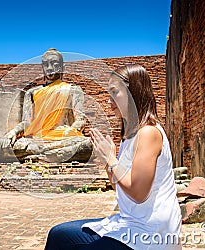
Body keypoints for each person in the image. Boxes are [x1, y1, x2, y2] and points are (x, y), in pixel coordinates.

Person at [44, 64, 182, 250]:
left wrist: (110, 158)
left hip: (150, 233)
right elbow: (118, 185)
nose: (109, 101)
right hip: (127, 222)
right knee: (58, 234)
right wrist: (106, 159)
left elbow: (138, 194)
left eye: (115, 92)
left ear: (134, 93)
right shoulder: (130, 135)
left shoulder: (149, 133)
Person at [0, 48, 92, 163]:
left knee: (87, 145)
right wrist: (14, 132)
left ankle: (35, 155)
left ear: (62, 67)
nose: (50, 68)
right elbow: (27, 123)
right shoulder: (32, 92)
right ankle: (49, 155)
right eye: (46, 65)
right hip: (37, 140)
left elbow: (80, 121)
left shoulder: (74, 90)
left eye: (54, 64)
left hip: (63, 137)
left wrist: (70, 131)